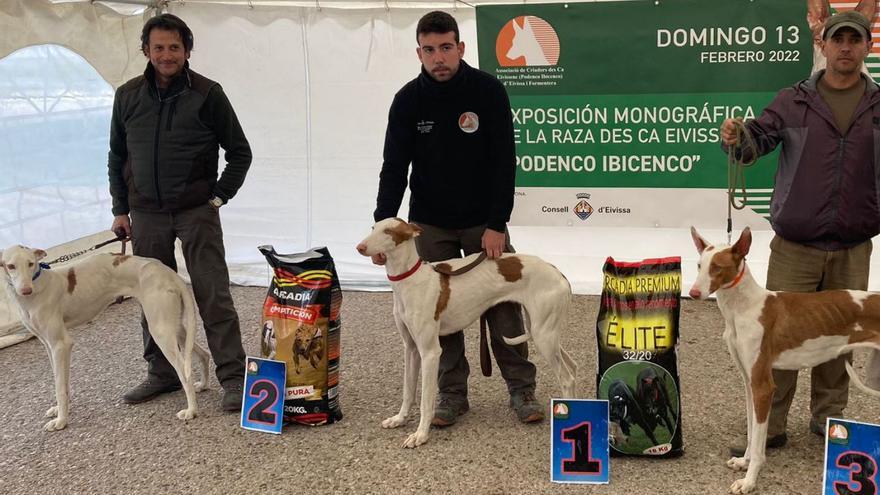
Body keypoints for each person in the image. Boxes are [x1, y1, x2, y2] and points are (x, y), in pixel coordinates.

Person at [372, 10, 543, 426]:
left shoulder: (488, 91)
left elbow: (505, 162)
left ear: (460, 48)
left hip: (483, 221)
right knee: (434, 317)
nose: (439, 58)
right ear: (419, 53)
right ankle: (450, 394)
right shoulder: (407, 100)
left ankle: (522, 391)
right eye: (429, 50)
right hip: (429, 223)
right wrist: (382, 228)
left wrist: (497, 224)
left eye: (446, 47)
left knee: (504, 305)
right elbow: (394, 168)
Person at [720, 10, 880, 455]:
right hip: (796, 243)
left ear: (867, 47)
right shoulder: (793, 100)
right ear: (823, 46)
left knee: (840, 336)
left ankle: (829, 424)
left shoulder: (878, 104)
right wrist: (737, 137)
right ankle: (769, 427)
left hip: (853, 243)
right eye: (838, 39)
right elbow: (757, 143)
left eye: (855, 39)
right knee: (776, 338)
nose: (846, 46)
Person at [107, 13, 251, 411]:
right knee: (151, 296)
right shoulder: (127, 96)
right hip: (146, 214)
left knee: (213, 294)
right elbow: (117, 156)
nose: (166, 55)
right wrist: (121, 209)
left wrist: (218, 198)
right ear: (146, 51)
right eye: (158, 48)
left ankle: (234, 378)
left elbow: (240, 152)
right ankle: (163, 373)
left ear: (187, 50)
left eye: (174, 47)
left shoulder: (208, 94)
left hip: (196, 212)